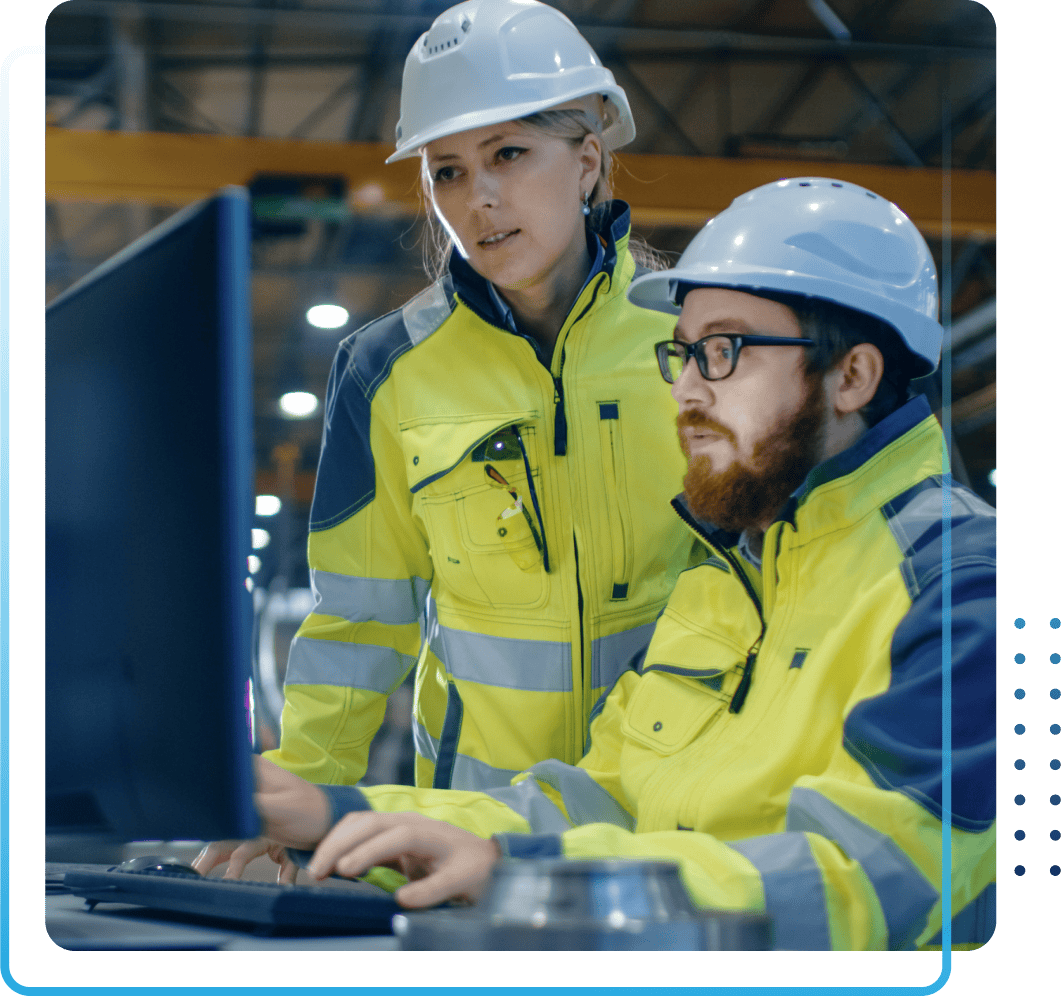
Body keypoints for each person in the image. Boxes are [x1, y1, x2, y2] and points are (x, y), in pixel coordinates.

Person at [201, 177, 997, 951]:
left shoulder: (966, 587)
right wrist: (333, 813)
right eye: (679, 355)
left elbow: (869, 876)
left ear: (851, 375)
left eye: (721, 351)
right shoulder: (720, 588)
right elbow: (591, 800)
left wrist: (519, 875)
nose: (685, 389)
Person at [204, 1, 699, 877]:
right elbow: (360, 618)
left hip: (680, 814)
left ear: (586, 159)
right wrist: (297, 799)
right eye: (447, 171)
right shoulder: (387, 369)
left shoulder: (697, 339)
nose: (480, 200)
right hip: (474, 827)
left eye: (509, 153)